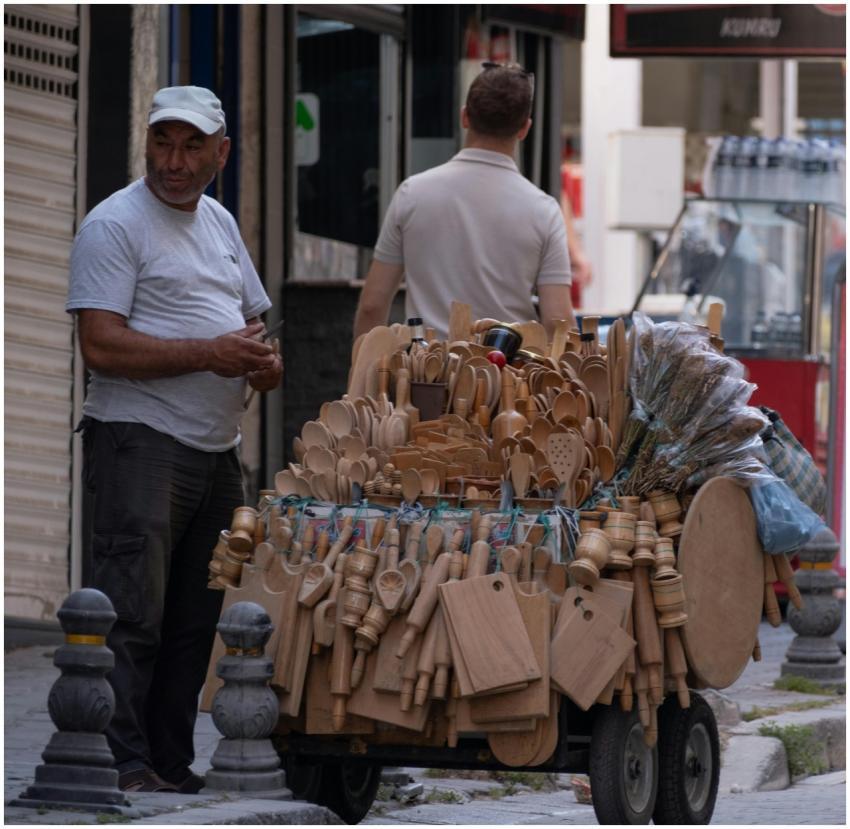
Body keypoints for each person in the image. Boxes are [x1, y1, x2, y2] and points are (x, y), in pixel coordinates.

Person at [65, 85, 282, 794]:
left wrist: (264, 363)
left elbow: (254, 328)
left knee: (195, 618)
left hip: (215, 450)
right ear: (146, 144)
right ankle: (120, 762)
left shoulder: (218, 221)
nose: (174, 161)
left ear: (221, 154)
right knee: (133, 612)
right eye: (163, 142)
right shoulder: (116, 224)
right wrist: (209, 354)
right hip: (140, 441)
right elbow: (99, 344)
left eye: (192, 146)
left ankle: (168, 760)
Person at [353, 62, 575, 341]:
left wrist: (362, 373)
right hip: (507, 373)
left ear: (465, 117)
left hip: (426, 373)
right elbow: (558, 321)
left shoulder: (412, 194)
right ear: (524, 129)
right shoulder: (544, 210)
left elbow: (372, 306)